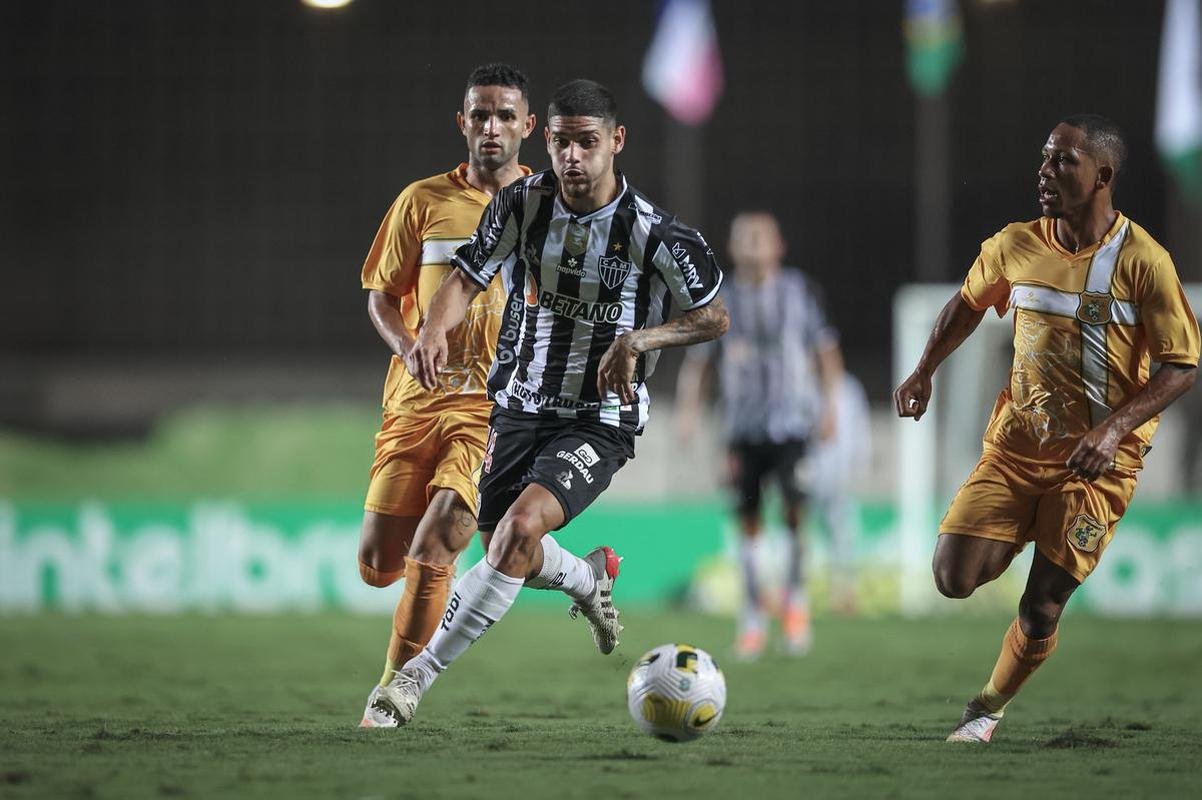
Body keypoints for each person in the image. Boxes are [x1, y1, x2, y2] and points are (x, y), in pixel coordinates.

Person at [367, 78, 730, 727]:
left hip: (599, 417)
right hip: (520, 405)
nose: (572, 157)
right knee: (503, 549)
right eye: (562, 143)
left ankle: (410, 682)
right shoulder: (521, 205)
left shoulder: (654, 233)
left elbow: (713, 316)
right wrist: (433, 330)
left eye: (586, 143)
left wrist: (640, 340)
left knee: (518, 531)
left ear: (616, 142)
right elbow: (464, 279)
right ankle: (587, 578)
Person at [894, 115, 1198, 743]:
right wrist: (924, 370)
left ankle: (985, 709)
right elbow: (967, 304)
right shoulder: (1015, 244)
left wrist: (1112, 431)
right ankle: (1026, 524)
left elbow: (1182, 366)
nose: (1045, 172)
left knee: (1041, 608)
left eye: (1063, 161)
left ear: (1102, 175)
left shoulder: (1144, 261)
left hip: (1097, 465)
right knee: (952, 577)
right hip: (1015, 451)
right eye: (1044, 159)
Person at [355, 64, 608, 728]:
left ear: (529, 127)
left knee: (439, 543)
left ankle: (390, 696)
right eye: (480, 114)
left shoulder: (554, 206)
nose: (492, 127)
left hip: (497, 408)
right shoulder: (421, 201)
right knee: (378, 564)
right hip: (416, 401)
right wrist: (409, 344)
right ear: (462, 122)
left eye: (505, 116)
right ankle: (580, 574)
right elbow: (381, 296)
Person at [675, 212, 845, 658]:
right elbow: (700, 363)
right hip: (741, 430)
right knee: (747, 522)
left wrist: (831, 408)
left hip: (793, 427)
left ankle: (795, 605)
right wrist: (689, 414)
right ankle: (752, 617)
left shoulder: (800, 291)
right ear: (732, 248)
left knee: (794, 515)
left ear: (778, 245)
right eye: (743, 238)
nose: (752, 244)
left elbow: (826, 352)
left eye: (759, 237)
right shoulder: (721, 298)